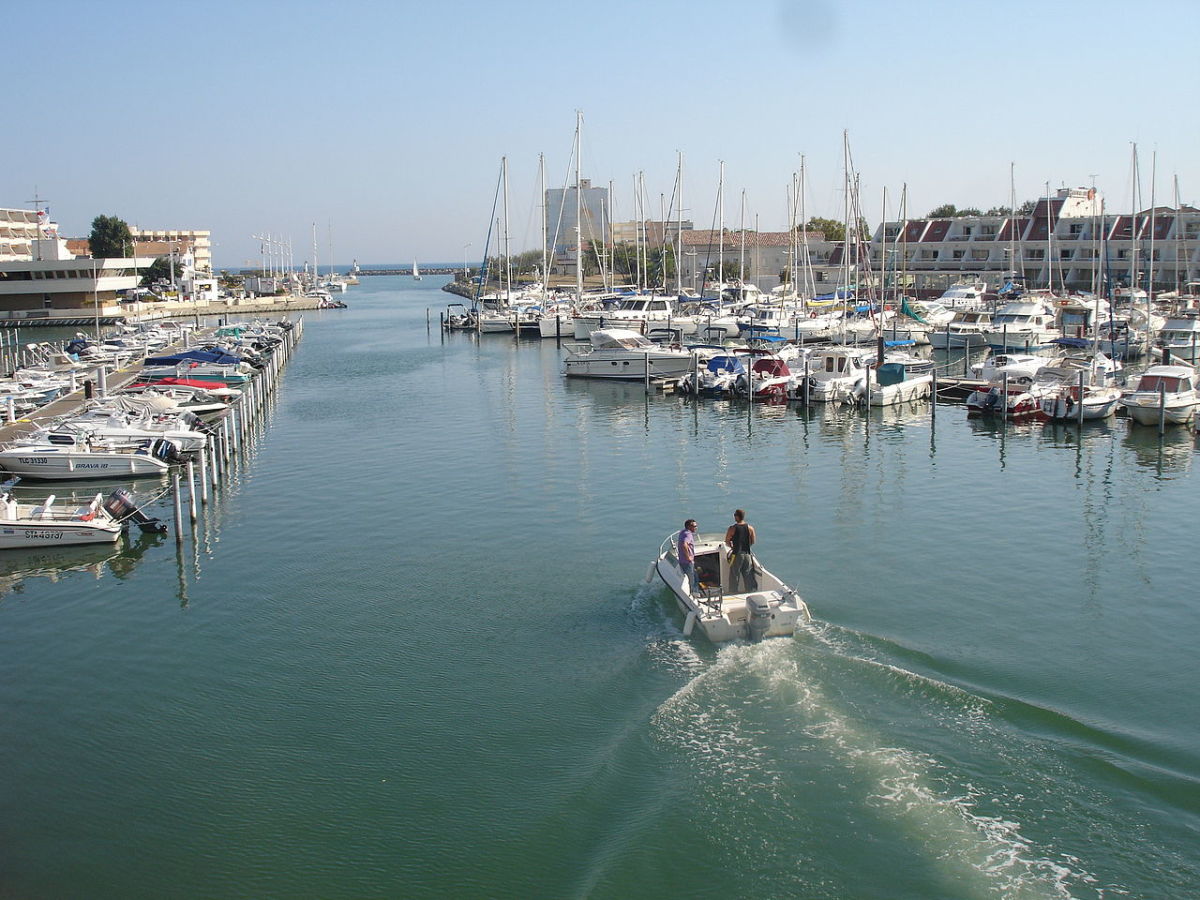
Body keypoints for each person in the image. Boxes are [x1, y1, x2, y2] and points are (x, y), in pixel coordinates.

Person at [724, 509, 757, 593]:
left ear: (737, 516)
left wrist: (732, 546)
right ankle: (749, 591)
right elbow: (753, 541)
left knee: (734, 575)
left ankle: (733, 592)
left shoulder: (732, 528)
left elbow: (727, 541)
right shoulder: (750, 528)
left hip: (736, 554)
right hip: (747, 554)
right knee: (748, 574)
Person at [677, 518, 698, 595]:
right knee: (692, 578)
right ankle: (693, 592)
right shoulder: (688, 534)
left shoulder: (683, 532)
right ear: (689, 527)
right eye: (694, 526)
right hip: (687, 561)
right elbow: (684, 544)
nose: (696, 528)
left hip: (682, 560)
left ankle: (693, 591)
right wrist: (688, 557)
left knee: (694, 575)